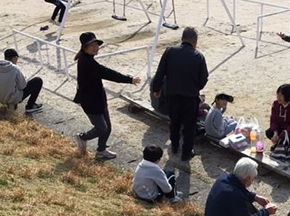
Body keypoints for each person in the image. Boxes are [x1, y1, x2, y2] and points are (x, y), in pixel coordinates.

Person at [73, 32, 141, 160]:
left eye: (96, 45)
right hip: (90, 101)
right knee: (101, 128)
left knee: (107, 127)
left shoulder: (87, 59)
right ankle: (82, 137)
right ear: (85, 48)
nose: (95, 47)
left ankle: (101, 150)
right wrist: (129, 79)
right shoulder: (87, 62)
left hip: (98, 99)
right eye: (92, 45)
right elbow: (107, 73)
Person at [151, 26, 209, 161]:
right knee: (189, 126)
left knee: (174, 122)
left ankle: (175, 145)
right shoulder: (199, 56)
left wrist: (156, 89)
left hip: (173, 95)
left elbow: (160, 72)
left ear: (182, 38)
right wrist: (196, 88)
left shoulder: (170, 51)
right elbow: (203, 78)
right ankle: (186, 152)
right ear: (195, 40)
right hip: (190, 97)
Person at [203, 158, 278, 216]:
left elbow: (240, 190)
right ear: (248, 179)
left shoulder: (224, 178)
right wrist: (266, 211)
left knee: (247, 203)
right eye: (253, 178)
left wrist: (255, 197)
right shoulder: (236, 196)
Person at [0, 48, 43, 115]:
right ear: (15, 58)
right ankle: (30, 106)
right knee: (38, 81)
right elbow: (22, 86)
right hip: (12, 98)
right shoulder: (15, 68)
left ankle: (11, 104)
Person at [266, 84, 290, 156]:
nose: (278, 97)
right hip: (281, 128)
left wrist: (281, 136)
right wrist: (275, 133)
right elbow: (273, 120)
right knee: (269, 132)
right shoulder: (276, 104)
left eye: (280, 96)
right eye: (277, 95)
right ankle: (279, 144)